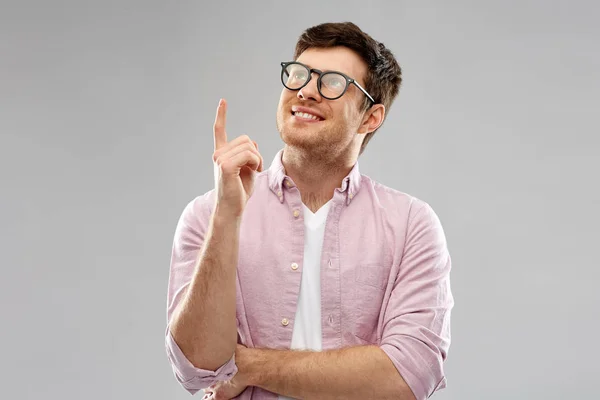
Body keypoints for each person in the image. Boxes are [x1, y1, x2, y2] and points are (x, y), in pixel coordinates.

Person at [165, 21, 454, 400]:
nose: (305, 91)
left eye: (332, 82)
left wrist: (249, 365)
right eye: (299, 75)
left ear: (371, 117)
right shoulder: (208, 215)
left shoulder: (411, 224)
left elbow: (407, 375)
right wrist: (226, 218)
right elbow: (197, 368)